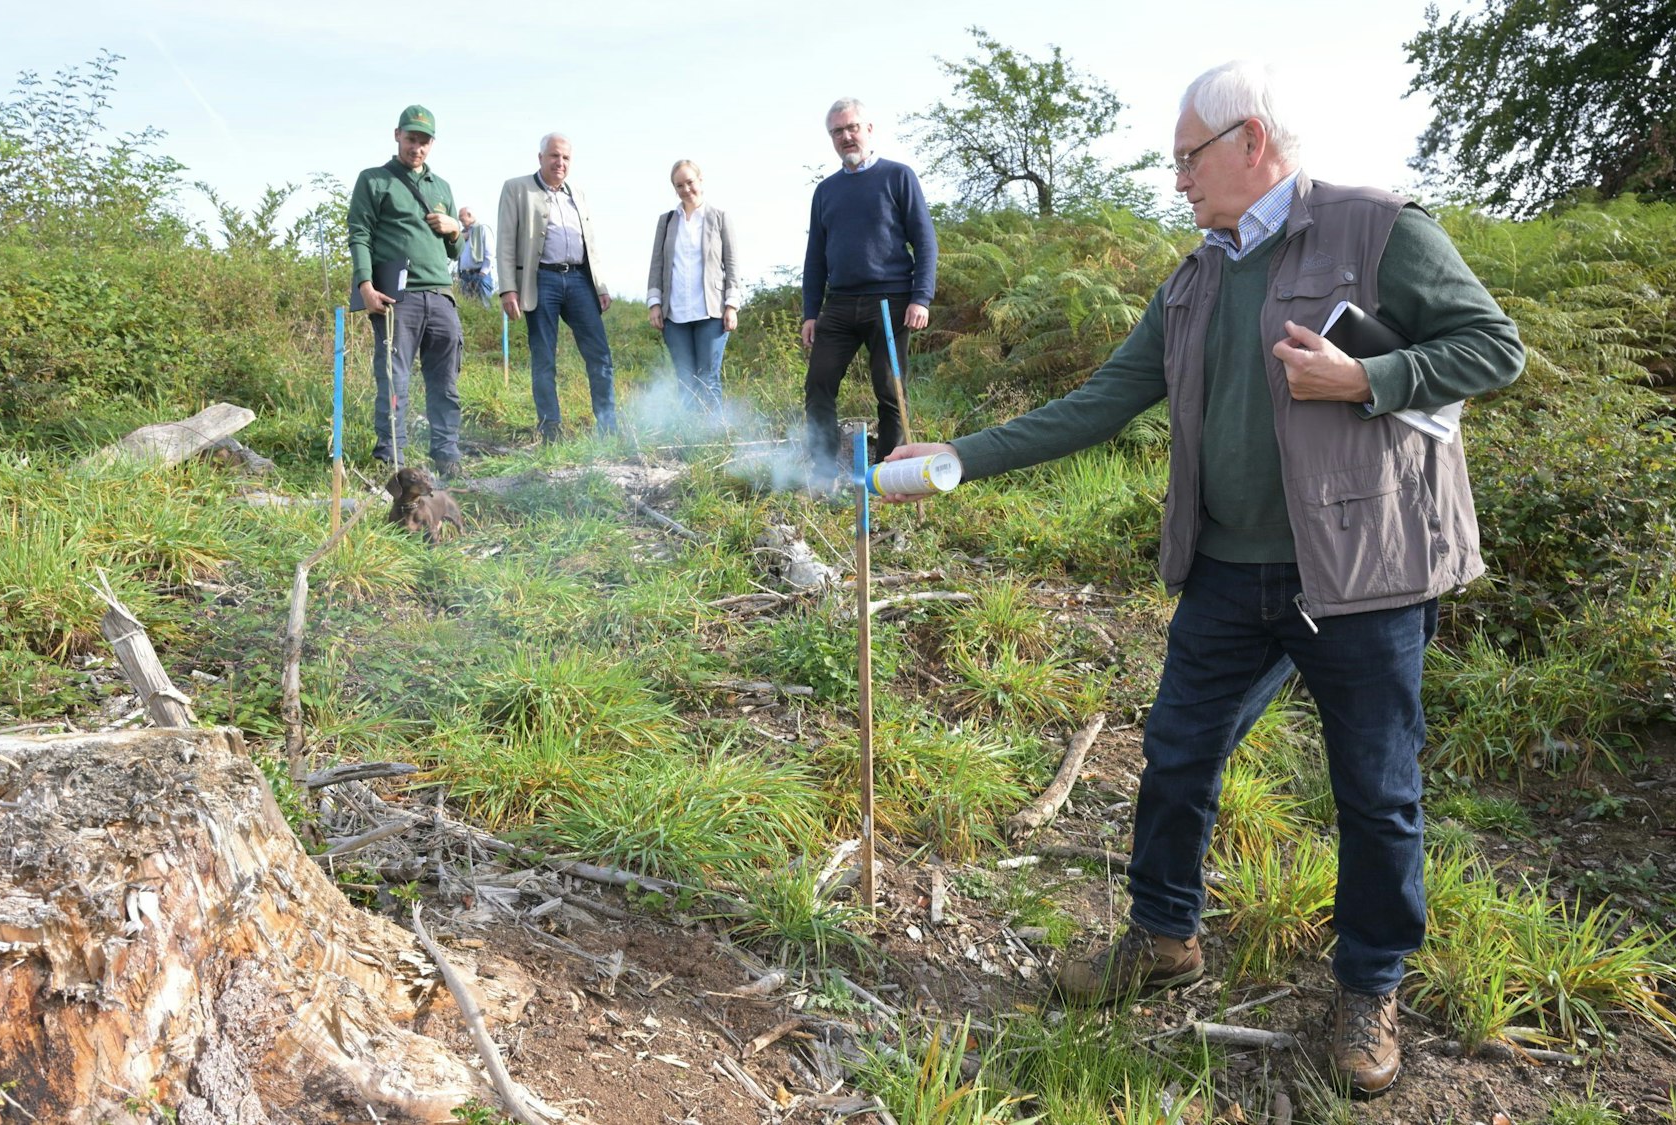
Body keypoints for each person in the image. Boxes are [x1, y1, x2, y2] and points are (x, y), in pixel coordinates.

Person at [882, 60, 1524, 1097]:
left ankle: (1368, 986)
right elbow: (1099, 401)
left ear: (1250, 144)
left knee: (1374, 792)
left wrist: (1368, 377)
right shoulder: (1190, 279)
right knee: (1176, 754)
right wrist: (956, 460)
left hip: (1358, 578)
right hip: (1228, 575)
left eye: (1187, 158)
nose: (1176, 180)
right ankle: (1162, 936)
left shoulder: (1375, 229)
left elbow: (1493, 348)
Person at [800, 97, 937, 486]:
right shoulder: (825, 191)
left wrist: (920, 297)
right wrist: (812, 313)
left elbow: (925, 241)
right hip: (840, 304)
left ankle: (885, 476)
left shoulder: (899, 176)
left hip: (891, 301)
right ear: (831, 138)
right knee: (819, 384)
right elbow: (815, 258)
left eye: (852, 128)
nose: (846, 136)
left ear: (869, 129)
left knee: (890, 391)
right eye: (837, 131)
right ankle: (824, 473)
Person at [347, 105, 466, 478]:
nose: (417, 147)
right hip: (398, 298)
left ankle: (447, 456)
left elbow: (455, 253)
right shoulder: (374, 180)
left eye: (424, 141)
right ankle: (391, 460)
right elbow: (360, 234)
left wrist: (455, 229)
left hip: (441, 295)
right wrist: (365, 285)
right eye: (411, 138)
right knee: (394, 378)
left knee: (445, 382)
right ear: (397, 135)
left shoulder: (441, 187)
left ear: (432, 144)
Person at [496, 133, 616, 442]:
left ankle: (608, 428)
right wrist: (508, 289)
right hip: (541, 280)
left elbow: (590, 241)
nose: (559, 162)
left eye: (565, 158)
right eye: (553, 156)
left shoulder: (578, 192)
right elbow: (506, 241)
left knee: (599, 354)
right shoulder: (516, 188)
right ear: (540, 158)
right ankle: (550, 430)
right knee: (544, 357)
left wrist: (600, 285)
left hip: (579, 280)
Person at [646, 159, 741, 411]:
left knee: (708, 378)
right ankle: (691, 440)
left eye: (690, 182)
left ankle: (715, 437)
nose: (686, 189)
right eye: (679, 185)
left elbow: (732, 264)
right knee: (685, 380)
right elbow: (657, 264)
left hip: (711, 312)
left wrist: (731, 306)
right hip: (675, 314)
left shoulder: (719, 218)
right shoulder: (666, 221)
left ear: (700, 180)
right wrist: (654, 303)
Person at [455, 206, 494, 308]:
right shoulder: (462, 234)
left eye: (461, 217)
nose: (459, 220)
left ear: (469, 215)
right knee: (467, 308)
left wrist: (483, 273)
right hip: (465, 276)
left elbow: (490, 253)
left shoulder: (483, 229)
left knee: (484, 308)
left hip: (479, 275)